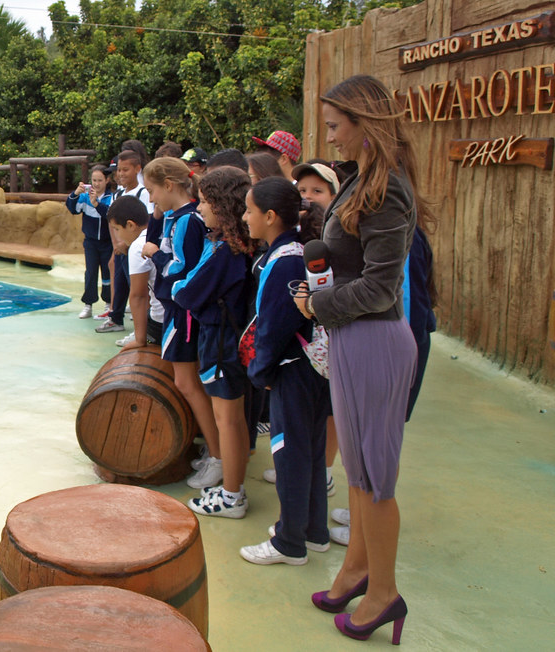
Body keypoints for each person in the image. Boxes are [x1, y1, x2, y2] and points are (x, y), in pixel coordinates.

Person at [297, 74, 432, 644]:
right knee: (357, 471)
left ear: (364, 124)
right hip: (356, 338)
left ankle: (385, 593)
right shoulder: (362, 183)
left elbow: (381, 287)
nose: (330, 138)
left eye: (334, 126)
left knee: (376, 479)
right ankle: (356, 570)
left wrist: (318, 304)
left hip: (375, 340)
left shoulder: (387, 190)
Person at [236, 176, 331, 565]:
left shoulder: (284, 260)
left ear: (271, 216)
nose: (245, 217)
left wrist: (262, 372)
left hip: (294, 370)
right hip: (310, 369)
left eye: (250, 210)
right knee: (310, 449)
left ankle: (289, 543)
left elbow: (275, 326)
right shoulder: (292, 252)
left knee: (289, 453)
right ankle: (314, 530)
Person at [172, 166, 256, 519]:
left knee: (229, 421)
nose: (199, 209)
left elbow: (188, 291)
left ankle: (232, 495)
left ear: (223, 206)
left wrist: (178, 285)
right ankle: (230, 487)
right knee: (230, 419)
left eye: (205, 202)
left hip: (222, 344)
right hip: (224, 339)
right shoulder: (232, 247)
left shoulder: (226, 253)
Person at [140, 158, 223, 495]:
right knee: (190, 383)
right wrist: (157, 221)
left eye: (152, 191)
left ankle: (219, 456)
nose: (151, 199)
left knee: (189, 383)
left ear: (169, 186)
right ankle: (214, 449)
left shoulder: (189, 220)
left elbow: (183, 269)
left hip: (183, 310)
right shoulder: (176, 217)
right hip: (177, 308)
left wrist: (155, 254)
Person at [98, 150, 153, 336]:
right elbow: (111, 222)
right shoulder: (117, 194)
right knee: (119, 283)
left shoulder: (144, 194)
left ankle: (143, 329)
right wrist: (116, 245)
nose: (121, 174)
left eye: (126, 170)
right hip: (120, 250)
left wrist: (128, 245)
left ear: (137, 169)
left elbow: (147, 222)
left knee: (137, 288)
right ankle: (116, 318)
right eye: (119, 170)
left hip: (134, 248)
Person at [107, 195, 163, 349]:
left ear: (131, 225)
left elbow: (138, 295)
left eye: (117, 229)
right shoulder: (160, 231)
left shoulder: (138, 246)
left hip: (162, 320)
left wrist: (140, 339)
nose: (118, 235)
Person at [67, 165, 115, 319]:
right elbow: (73, 209)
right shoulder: (85, 197)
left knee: (108, 274)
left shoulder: (112, 197)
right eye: (94, 180)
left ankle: (108, 304)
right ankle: (88, 305)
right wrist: (75, 193)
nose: (96, 184)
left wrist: (96, 203)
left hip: (108, 242)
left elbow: (109, 215)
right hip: (91, 242)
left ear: (107, 180)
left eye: (100, 180)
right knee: (91, 273)